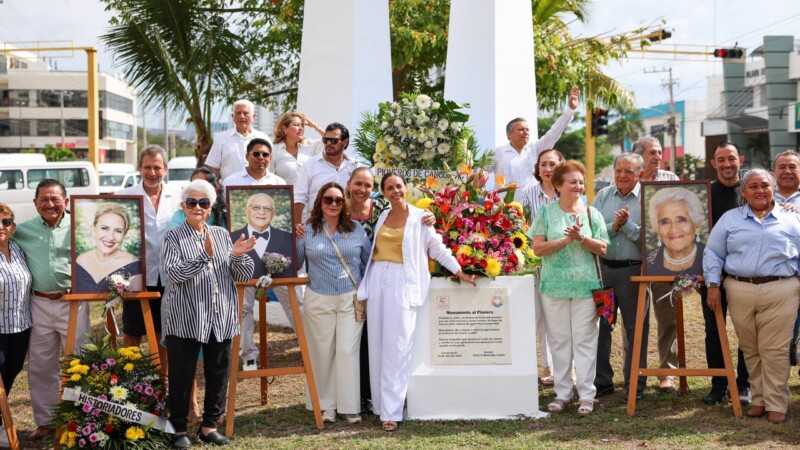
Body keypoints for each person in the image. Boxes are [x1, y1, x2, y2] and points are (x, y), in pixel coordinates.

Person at [357, 173, 476, 431]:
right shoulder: (382, 216)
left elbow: (437, 249)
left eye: (398, 186)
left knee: (397, 347)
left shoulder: (420, 217)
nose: (395, 191)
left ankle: (392, 412)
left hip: (403, 282)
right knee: (376, 344)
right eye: (389, 188)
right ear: (384, 192)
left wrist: (460, 272)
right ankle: (380, 406)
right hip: (378, 280)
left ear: (406, 187)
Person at [161, 179, 256, 448]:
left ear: (211, 207)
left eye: (204, 203)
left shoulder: (222, 234)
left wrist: (237, 256)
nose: (198, 207)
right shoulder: (172, 236)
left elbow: (242, 275)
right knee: (181, 374)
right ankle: (178, 430)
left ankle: (209, 426)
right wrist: (203, 256)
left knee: (218, 372)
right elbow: (174, 274)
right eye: (192, 202)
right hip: (185, 317)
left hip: (220, 315)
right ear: (183, 206)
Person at [703, 168, 800, 424]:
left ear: (773, 189)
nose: (760, 190)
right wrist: (713, 284)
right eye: (753, 186)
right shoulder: (729, 219)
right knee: (750, 348)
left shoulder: (792, 219)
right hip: (739, 289)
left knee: (775, 349)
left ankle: (777, 402)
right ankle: (758, 399)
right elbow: (713, 253)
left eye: (765, 185)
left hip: (782, 289)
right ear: (743, 192)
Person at [13, 180, 90, 440]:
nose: (50, 204)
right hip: (39, 303)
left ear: (66, 202)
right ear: (35, 203)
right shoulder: (21, 231)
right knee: (40, 365)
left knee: (79, 362)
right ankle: (45, 422)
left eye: (55, 199)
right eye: (43, 199)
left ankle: (79, 419)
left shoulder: (81, 227)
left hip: (74, 303)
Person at [531, 160, 609, 416]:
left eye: (580, 181)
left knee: (585, 342)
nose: (578, 186)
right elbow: (537, 249)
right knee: (559, 341)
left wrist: (582, 238)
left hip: (587, 287)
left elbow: (603, 248)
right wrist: (565, 240)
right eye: (572, 182)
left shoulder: (591, 213)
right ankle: (563, 394)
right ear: (558, 186)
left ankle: (587, 395)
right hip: (553, 286)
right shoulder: (544, 213)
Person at [296, 182, 371, 424]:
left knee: (347, 351)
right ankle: (325, 406)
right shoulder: (307, 230)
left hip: (350, 297)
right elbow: (296, 262)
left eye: (339, 200)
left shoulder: (357, 228)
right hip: (318, 297)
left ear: (345, 203)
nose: (334, 204)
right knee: (322, 352)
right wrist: (295, 238)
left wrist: (364, 288)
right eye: (328, 199)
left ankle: (349, 406)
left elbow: (367, 260)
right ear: (320, 202)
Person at [117, 145, 182, 366]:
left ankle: (162, 383)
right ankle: (130, 381)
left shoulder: (179, 196)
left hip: (170, 274)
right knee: (132, 331)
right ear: (139, 168)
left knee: (164, 332)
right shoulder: (125, 197)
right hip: (136, 275)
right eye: (147, 167)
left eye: (157, 167)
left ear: (165, 169)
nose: (152, 173)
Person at [592, 153, 649, 401]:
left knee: (635, 327)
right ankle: (602, 382)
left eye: (629, 171)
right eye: (619, 170)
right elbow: (594, 232)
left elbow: (651, 238)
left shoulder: (648, 198)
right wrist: (614, 227)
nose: (623, 175)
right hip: (604, 273)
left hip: (633, 273)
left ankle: (635, 383)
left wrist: (627, 226)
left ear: (640, 174)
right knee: (602, 326)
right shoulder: (603, 196)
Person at [699, 141, 750, 405]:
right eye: (721, 160)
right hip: (712, 276)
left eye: (731, 159)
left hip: (744, 276)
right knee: (712, 331)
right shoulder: (704, 194)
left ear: (740, 159)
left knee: (745, 331)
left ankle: (743, 384)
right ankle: (718, 384)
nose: (727, 164)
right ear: (714, 163)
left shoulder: (751, 191)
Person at [632, 136, 680, 392]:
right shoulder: (631, 178)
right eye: (652, 152)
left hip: (664, 256)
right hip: (633, 256)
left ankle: (667, 372)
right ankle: (634, 374)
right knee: (636, 318)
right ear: (639, 156)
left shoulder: (670, 179)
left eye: (659, 152)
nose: (657, 157)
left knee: (667, 314)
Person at [230, 192, 295, 370]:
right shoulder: (234, 236)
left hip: (280, 278)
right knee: (243, 308)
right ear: (247, 211)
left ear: (273, 213)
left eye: (266, 208)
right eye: (256, 207)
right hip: (246, 280)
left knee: (296, 304)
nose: (261, 212)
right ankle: (248, 355)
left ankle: (308, 347)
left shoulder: (286, 236)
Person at [518, 149, 565, 386]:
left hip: (563, 266)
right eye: (544, 164)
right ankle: (547, 367)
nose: (548, 169)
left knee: (562, 318)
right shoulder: (527, 194)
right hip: (536, 265)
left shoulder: (568, 192)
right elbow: (519, 226)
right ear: (537, 169)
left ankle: (567, 368)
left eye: (553, 164)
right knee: (541, 318)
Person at [490, 87, 579, 189]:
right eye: (521, 129)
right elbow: (479, 174)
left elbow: (555, 132)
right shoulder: (497, 152)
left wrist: (570, 109)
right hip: (505, 204)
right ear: (509, 134)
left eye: (527, 130)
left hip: (533, 203)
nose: (526, 132)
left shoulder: (536, 148)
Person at [0, 203, 31, 448]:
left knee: (12, 371)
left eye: (5, 222)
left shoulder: (19, 250)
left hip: (21, 326)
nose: (0, 227)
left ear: (13, 226)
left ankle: (1, 419)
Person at [294, 122, 358, 223]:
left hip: (346, 226)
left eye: (334, 140)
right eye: (325, 140)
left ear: (345, 142)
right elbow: (299, 197)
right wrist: (296, 224)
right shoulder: (311, 164)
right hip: (316, 226)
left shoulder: (354, 166)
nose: (328, 143)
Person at [771, 150, 800, 368]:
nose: (788, 171)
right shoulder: (762, 197)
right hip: (776, 280)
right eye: (782, 167)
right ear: (773, 172)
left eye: (793, 166)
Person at [74, 203, 143, 293]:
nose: (110, 237)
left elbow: (136, 304)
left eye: (118, 231)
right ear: (93, 230)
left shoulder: (133, 265)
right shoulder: (81, 260)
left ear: (124, 235)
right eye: (105, 228)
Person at [644, 187, 706, 276]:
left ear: (696, 226)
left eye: (681, 220)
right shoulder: (648, 262)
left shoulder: (709, 258)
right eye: (665, 222)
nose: (673, 230)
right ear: (657, 229)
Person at [205, 99, 272, 181]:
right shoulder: (221, 139)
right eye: (238, 113)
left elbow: (270, 166)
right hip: (229, 189)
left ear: (253, 117)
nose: (242, 116)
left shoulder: (263, 138)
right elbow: (213, 168)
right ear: (233, 117)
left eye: (245, 113)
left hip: (257, 189)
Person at [270, 112, 325, 185]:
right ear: (284, 128)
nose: (301, 128)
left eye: (302, 125)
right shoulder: (273, 150)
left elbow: (333, 139)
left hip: (309, 195)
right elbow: (269, 178)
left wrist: (314, 126)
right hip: (285, 195)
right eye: (296, 125)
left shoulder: (309, 145)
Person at [222, 138, 286, 187]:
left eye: (265, 155)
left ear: (270, 158)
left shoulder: (279, 183)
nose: (261, 157)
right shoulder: (231, 182)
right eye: (256, 154)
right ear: (247, 156)